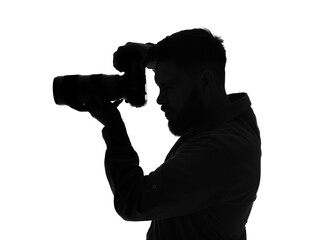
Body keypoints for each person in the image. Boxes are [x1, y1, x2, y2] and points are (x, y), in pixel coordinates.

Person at [88, 28, 261, 240]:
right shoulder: (232, 118)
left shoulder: (221, 150)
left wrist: (113, 127)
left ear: (206, 81)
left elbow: (132, 200)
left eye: (169, 87)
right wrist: (153, 55)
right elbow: (193, 60)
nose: (160, 100)